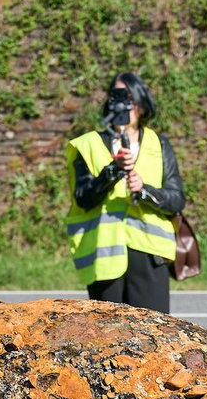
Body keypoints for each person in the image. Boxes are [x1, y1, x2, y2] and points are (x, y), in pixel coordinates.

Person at [64, 72, 184, 314]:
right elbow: (83, 198)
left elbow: (176, 199)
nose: (123, 104)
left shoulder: (158, 144)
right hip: (104, 258)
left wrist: (145, 190)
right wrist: (112, 171)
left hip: (150, 255)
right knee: (107, 343)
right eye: (116, 97)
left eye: (128, 97)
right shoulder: (87, 145)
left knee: (154, 341)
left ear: (141, 103)